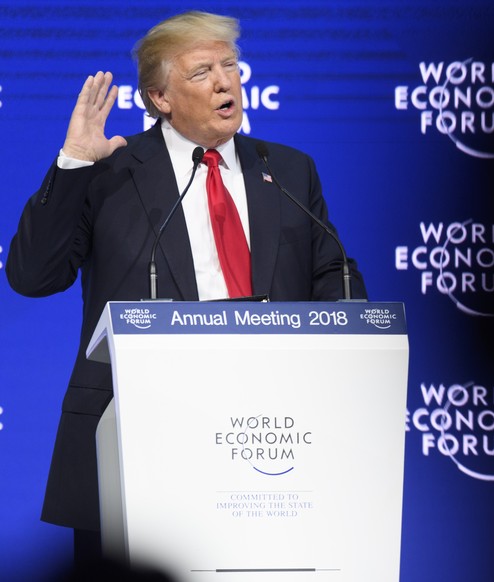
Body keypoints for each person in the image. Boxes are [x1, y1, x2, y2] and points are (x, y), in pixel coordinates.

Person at [5, 10, 366, 571]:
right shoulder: (110, 172)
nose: (226, 82)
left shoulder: (290, 171)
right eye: (202, 72)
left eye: (230, 65)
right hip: (137, 439)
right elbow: (33, 276)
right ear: (160, 98)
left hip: (269, 440)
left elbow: (335, 278)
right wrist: (74, 161)